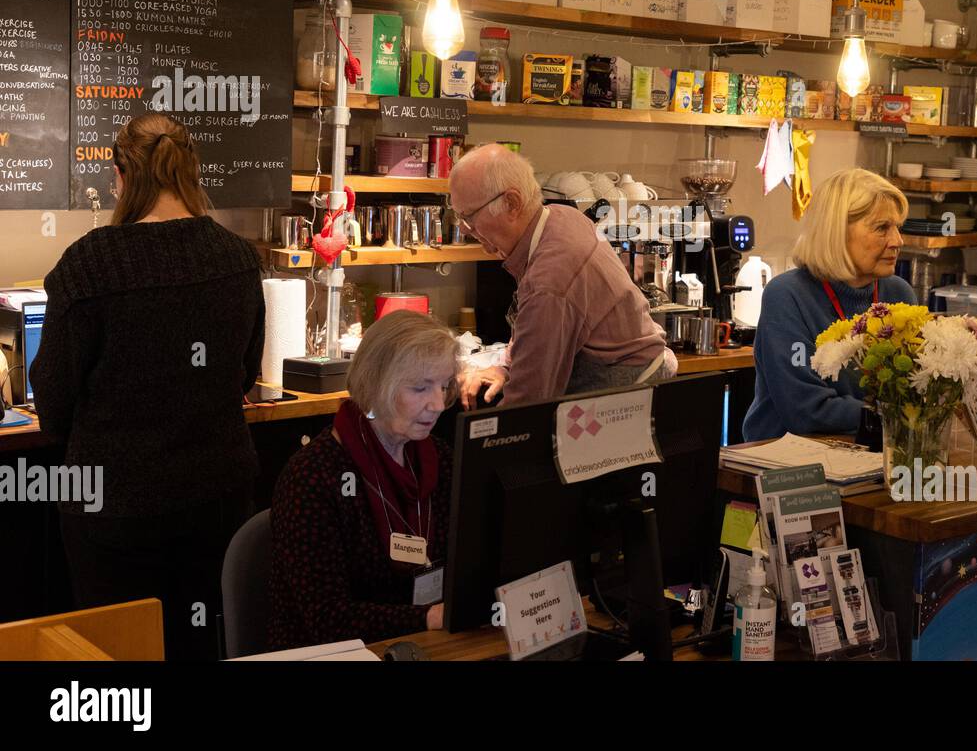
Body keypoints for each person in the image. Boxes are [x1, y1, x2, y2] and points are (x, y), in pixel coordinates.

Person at [30, 113, 264, 661]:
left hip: (115, 507)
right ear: (189, 170)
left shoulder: (88, 265)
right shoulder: (236, 257)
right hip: (218, 497)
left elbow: (54, 402)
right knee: (203, 642)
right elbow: (243, 374)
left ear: (120, 175)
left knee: (117, 658)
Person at [268, 311, 460, 650]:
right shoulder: (313, 478)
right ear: (376, 385)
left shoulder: (439, 459)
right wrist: (425, 619)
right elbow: (328, 620)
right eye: (420, 388)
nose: (439, 404)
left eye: (444, 386)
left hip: (426, 646)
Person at [448, 144, 674, 406]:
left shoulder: (549, 282)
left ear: (511, 203)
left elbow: (527, 403)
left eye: (469, 216)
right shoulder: (560, 217)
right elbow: (536, 335)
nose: (465, 229)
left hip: (620, 397)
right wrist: (505, 367)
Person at [743, 168, 915, 442]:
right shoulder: (787, 295)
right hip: (787, 467)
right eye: (882, 228)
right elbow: (805, 410)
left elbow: (914, 391)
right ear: (836, 232)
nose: (897, 241)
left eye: (898, 228)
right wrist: (897, 416)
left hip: (871, 453)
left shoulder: (898, 293)